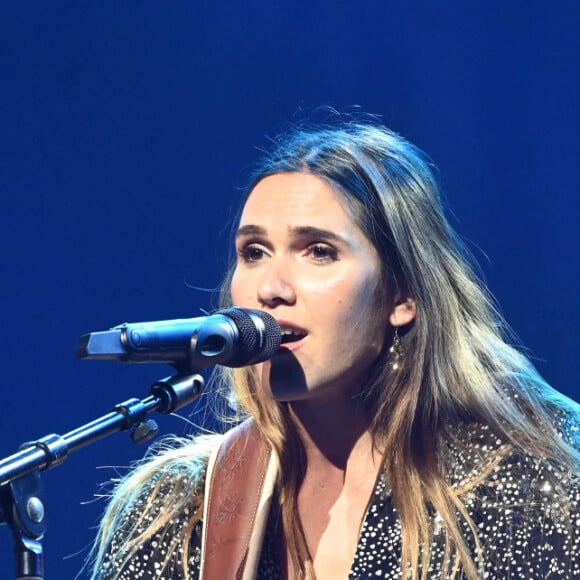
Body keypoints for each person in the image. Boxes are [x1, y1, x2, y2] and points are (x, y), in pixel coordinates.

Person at [88, 121, 580, 579]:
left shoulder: (536, 482)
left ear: (402, 293)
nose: (272, 288)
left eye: (319, 251)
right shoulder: (176, 512)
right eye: (253, 253)